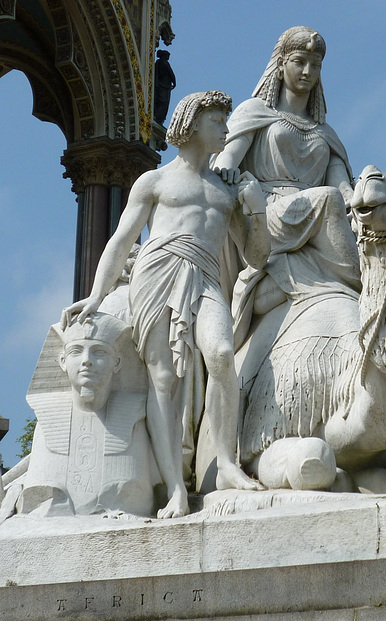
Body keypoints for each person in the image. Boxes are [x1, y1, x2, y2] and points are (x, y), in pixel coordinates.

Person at [61, 90, 270, 518]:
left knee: (222, 354)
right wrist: (97, 294)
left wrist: (258, 212)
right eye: (217, 122)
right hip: (157, 274)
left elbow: (255, 257)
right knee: (163, 381)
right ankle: (175, 488)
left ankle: (226, 463)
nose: (226, 131)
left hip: (207, 276)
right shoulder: (155, 181)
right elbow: (121, 239)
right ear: (193, 124)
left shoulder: (226, 189)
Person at [213, 26, 361, 348]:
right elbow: (226, 161)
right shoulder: (256, 112)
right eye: (299, 61)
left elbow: (344, 192)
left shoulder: (324, 132)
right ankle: (364, 287)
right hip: (266, 215)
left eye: (316, 65)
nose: (308, 71)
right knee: (327, 199)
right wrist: (224, 169)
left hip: (318, 219)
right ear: (281, 63)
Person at [21, 313, 156, 517]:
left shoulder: (134, 421)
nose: (87, 361)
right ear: (62, 361)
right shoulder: (47, 423)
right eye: (76, 351)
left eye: (99, 352)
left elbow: (137, 499)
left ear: (117, 362)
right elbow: (36, 501)